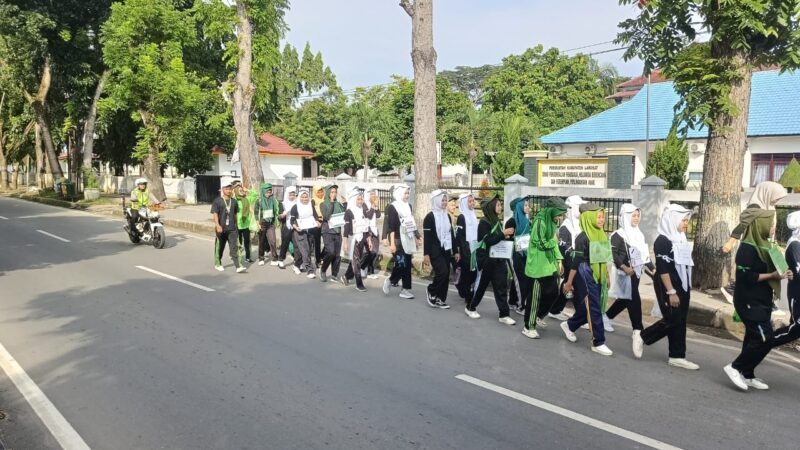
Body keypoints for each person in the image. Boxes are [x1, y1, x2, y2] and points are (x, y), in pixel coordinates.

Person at [723, 209, 793, 391]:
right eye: (770, 224)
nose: (773, 228)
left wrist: (785, 273)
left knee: (754, 338)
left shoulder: (766, 246)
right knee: (765, 338)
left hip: (762, 300)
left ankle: (747, 373)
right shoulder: (747, 247)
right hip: (748, 300)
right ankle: (735, 367)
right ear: (759, 225)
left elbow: (777, 269)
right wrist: (771, 275)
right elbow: (744, 276)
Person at [640, 204, 699, 369]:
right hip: (669, 285)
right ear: (672, 220)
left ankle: (677, 355)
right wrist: (671, 292)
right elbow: (664, 270)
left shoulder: (680, 238)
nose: (686, 224)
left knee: (680, 320)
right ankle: (643, 336)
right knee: (673, 318)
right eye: (684, 221)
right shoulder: (663, 241)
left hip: (682, 285)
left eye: (687, 220)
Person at [721, 181, 788, 302]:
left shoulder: (771, 207)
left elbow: (772, 229)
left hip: (767, 244)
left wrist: (776, 244)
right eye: (776, 196)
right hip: (754, 245)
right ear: (767, 193)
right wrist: (730, 242)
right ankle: (734, 290)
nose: (777, 200)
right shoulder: (755, 207)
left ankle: (769, 299)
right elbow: (742, 225)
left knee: (774, 270)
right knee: (751, 273)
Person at [560, 204, 612, 356]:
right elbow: (576, 262)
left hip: (598, 274)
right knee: (594, 305)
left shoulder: (601, 234)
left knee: (589, 306)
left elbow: (604, 258)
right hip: (585, 272)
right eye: (598, 216)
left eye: (603, 217)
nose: (602, 220)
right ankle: (598, 342)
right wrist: (569, 282)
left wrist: (607, 276)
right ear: (589, 218)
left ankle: (570, 325)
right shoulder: (583, 237)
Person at [607, 204, 655, 358]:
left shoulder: (639, 235)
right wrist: (623, 267)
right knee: (634, 299)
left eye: (638, 215)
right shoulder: (618, 234)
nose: (636, 218)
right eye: (633, 215)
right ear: (626, 217)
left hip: (636, 273)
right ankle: (638, 330)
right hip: (624, 273)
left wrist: (653, 269)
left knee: (625, 298)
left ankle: (605, 318)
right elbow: (613, 254)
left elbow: (644, 255)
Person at [465, 195, 516, 325]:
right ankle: (470, 307)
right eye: (498, 205)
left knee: (501, 287)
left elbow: (499, 239)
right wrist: (503, 234)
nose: (500, 207)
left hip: (498, 259)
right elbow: (487, 241)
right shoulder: (484, 223)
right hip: (487, 260)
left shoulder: (497, 222)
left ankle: (504, 314)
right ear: (491, 207)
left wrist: (507, 237)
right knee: (481, 286)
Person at [522, 197, 568, 339]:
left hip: (548, 264)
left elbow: (552, 242)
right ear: (552, 210)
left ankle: (539, 315)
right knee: (535, 297)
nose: (560, 217)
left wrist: (559, 259)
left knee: (553, 292)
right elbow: (540, 243)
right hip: (537, 266)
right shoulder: (540, 221)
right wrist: (554, 244)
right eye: (559, 213)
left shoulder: (552, 221)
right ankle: (528, 326)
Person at [549, 195, 587, 321]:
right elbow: (565, 247)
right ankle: (580, 317)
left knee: (568, 286)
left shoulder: (580, 224)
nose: (581, 209)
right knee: (575, 288)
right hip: (571, 262)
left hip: (578, 262)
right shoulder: (566, 227)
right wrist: (572, 263)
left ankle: (554, 309)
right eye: (579, 207)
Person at [423, 190, 459, 309]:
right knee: (442, 272)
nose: (444, 203)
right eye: (442, 200)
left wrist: (455, 251)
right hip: (434, 250)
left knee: (446, 274)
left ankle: (440, 298)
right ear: (436, 201)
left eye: (445, 200)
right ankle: (431, 290)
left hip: (446, 249)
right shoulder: (429, 217)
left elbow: (451, 235)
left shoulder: (447, 215)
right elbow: (427, 238)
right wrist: (426, 254)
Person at [382, 185, 420, 299]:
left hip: (408, 238)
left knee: (407, 264)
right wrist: (392, 243)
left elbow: (411, 223)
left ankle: (405, 289)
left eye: (408, 193)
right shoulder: (393, 207)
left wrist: (417, 237)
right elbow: (392, 227)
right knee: (401, 263)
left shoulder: (408, 206)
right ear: (399, 193)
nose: (407, 195)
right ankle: (390, 280)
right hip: (397, 239)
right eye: (405, 193)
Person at [211, 177, 245, 273]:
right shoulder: (217, 201)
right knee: (220, 247)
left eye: (230, 189)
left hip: (232, 229)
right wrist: (217, 225)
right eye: (227, 189)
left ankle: (238, 266)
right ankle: (218, 263)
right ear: (222, 189)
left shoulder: (234, 201)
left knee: (234, 247)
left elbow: (235, 214)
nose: (229, 191)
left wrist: (236, 226)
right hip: (221, 228)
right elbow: (215, 214)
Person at [506, 197, 531, 317]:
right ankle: (521, 306)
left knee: (519, 278)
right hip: (514, 254)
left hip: (525, 253)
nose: (528, 208)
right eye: (525, 205)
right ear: (519, 207)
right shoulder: (512, 221)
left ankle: (512, 301)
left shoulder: (526, 221)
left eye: (528, 205)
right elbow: (506, 239)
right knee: (521, 279)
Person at [342, 188, 370, 292]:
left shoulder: (363, 210)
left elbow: (366, 226)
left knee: (358, 259)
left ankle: (346, 276)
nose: (360, 201)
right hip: (352, 239)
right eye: (358, 199)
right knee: (356, 261)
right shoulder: (349, 212)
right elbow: (345, 229)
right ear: (354, 200)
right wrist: (345, 243)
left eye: (362, 199)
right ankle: (359, 284)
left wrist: (369, 239)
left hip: (362, 238)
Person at [290, 188, 320, 278]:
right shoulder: (295, 207)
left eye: (306, 197)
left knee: (303, 251)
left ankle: (296, 265)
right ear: (299, 197)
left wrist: (317, 223)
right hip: (299, 231)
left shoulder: (311, 205)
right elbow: (292, 221)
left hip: (310, 230)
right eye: (302, 197)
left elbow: (315, 216)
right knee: (305, 250)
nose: (304, 199)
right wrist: (296, 227)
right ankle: (310, 270)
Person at [455, 193, 479, 305]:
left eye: (473, 201)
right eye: (470, 201)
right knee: (467, 271)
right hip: (465, 247)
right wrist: (458, 251)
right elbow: (459, 235)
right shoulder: (462, 216)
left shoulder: (473, 214)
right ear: (464, 203)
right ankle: (466, 292)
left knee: (473, 271)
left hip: (474, 246)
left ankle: (463, 287)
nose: (472, 203)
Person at [319, 185, 345, 283]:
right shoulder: (323, 204)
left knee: (337, 255)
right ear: (328, 193)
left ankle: (334, 274)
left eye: (335, 192)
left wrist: (345, 204)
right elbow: (326, 216)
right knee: (330, 252)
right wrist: (331, 202)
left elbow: (345, 214)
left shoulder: (338, 204)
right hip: (327, 231)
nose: (334, 194)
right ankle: (323, 270)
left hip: (337, 231)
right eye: (332, 192)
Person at [254, 183, 281, 266]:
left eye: (270, 192)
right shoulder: (259, 200)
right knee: (261, 242)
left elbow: (276, 210)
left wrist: (277, 220)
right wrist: (257, 222)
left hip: (271, 223)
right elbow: (255, 212)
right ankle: (261, 258)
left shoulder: (273, 199)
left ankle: (274, 258)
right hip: (262, 223)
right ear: (263, 191)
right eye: (267, 192)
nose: (268, 193)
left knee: (273, 241)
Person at [233, 181, 258, 263]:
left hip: (246, 225)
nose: (242, 191)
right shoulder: (234, 200)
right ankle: (238, 257)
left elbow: (255, 194)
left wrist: (247, 190)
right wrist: (236, 186)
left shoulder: (247, 199)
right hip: (237, 225)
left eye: (242, 190)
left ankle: (248, 257)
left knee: (247, 242)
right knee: (238, 243)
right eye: (240, 190)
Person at [362, 188, 381, 279]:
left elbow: (378, 215)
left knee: (375, 252)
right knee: (370, 252)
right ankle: (364, 268)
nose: (374, 196)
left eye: (374, 194)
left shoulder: (373, 204)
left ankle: (369, 270)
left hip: (375, 229)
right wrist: (373, 206)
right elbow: (368, 216)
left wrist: (376, 206)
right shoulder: (364, 204)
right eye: (372, 194)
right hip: (368, 230)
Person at [277, 186, 297, 269]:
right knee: (285, 244)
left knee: (297, 244)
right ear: (287, 195)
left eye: (293, 195)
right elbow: (279, 216)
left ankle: (297, 260)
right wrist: (283, 215)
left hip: (295, 226)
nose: (292, 196)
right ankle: (281, 260)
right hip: (286, 226)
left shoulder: (297, 204)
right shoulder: (283, 204)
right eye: (290, 195)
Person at [310, 184, 326, 267]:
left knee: (327, 242)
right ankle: (318, 260)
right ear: (315, 192)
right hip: (317, 223)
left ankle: (322, 256)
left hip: (325, 222)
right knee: (317, 242)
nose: (320, 194)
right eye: (318, 192)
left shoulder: (325, 199)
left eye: (321, 191)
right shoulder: (313, 200)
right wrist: (316, 221)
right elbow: (312, 211)